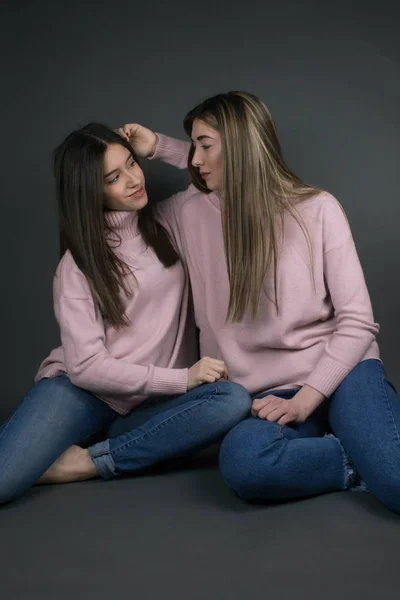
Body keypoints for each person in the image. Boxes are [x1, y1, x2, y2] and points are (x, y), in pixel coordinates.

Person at [117, 91, 400, 513]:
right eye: (192, 146)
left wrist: (308, 397)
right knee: (245, 463)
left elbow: (358, 323)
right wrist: (159, 148)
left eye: (205, 145)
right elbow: (121, 225)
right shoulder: (187, 213)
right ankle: (357, 461)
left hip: (342, 375)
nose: (194, 159)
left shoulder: (317, 210)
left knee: (395, 483)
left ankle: (376, 457)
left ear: (242, 146)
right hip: (266, 395)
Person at [0, 123, 251, 505]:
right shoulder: (76, 266)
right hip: (83, 394)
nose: (134, 180)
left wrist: (158, 147)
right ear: (90, 192)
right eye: (113, 178)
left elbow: (232, 173)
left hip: (150, 402)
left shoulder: (171, 218)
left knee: (231, 401)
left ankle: (88, 463)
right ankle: (124, 447)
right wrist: (181, 379)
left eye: (132, 163)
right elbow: (85, 367)